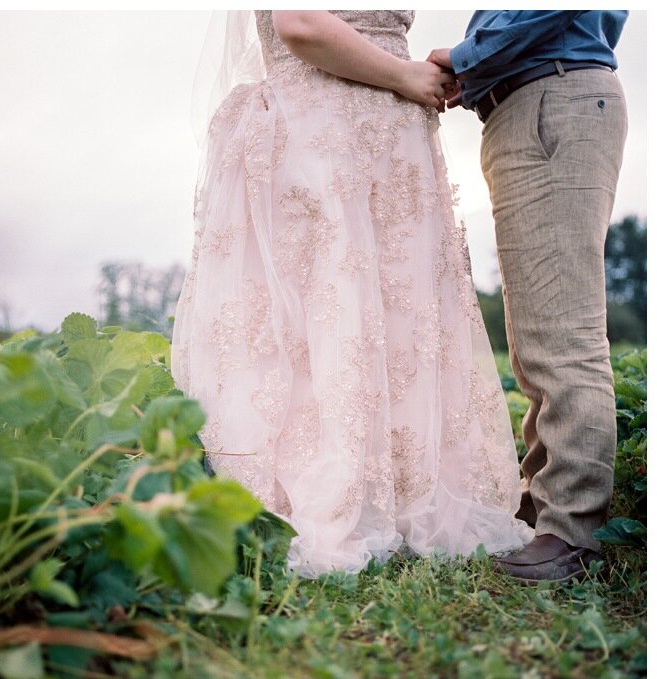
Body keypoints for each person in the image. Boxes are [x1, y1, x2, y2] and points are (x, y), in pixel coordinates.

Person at [172, 11, 534, 577]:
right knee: (328, 313)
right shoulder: (383, 76)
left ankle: (404, 493)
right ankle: (331, 497)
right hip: (325, 131)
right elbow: (300, 23)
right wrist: (404, 76)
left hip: (389, 141)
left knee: (400, 318)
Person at [427, 11, 629, 583]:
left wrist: (466, 56)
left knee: (563, 336)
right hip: (534, 104)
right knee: (538, 338)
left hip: (551, 99)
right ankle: (543, 508)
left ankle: (571, 533)